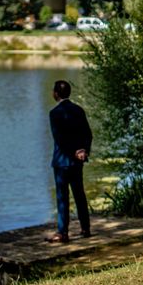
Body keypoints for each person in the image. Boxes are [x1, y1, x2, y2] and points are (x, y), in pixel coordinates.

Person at [46, 80, 93, 243]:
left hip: (62, 161)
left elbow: (59, 139)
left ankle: (62, 232)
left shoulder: (54, 113)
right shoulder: (78, 110)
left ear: (56, 94)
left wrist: (74, 151)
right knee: (79, 194)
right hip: (77, 161)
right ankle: (85, 228)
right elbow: (88, 134)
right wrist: (83, 150)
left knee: (62, 196)